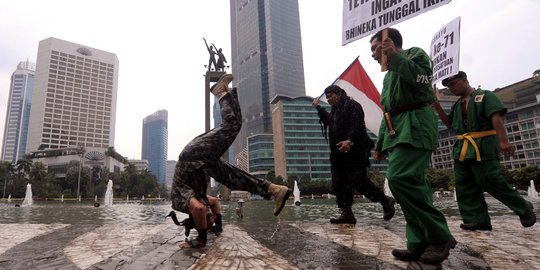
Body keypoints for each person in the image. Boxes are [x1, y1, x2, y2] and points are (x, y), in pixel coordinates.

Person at [171, 73, 292, 248]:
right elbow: (213, 202)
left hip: (193, 156)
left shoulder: (182, 202)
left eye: (209, 219)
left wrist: (201, 239)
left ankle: (221, 93)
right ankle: (274, 190)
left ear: (197, 221)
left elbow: (199, 209)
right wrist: (217, 224)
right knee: (234, 179)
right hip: (202, 164)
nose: (210, 215)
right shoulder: (201, 200)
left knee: (231, 126)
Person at [369, 28, 456, 265]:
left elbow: (423, 81)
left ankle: (440, 237)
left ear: (390, 43)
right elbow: (388, 109)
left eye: (375, 48)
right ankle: (418, 243)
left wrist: (396, 58)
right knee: (413, 184)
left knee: (398, 179)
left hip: (416, 125)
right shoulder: (387, 76)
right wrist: (380, 143)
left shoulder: (414, 55)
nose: (373, 55)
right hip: (397, 130)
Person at [432, 71, 536, 231]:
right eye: (448, 86)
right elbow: (451, 126)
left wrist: (503, 140)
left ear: (465, 80)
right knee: (464, 184)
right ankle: (476, 219)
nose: (451, 88)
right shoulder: (456, 105)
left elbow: (496, 117)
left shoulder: (485, 96)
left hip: (484, 144)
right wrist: (437, 106)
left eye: (453, 84)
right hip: (463, 147)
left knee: (489, 178)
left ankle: (523, 207)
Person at [312, 85, 396, 224]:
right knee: (338, 182)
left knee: (358, 180)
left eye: (330, 96)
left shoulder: (353, 105)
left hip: (355, 151)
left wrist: (350, 141)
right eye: (326, 97)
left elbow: (357, 126)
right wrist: (318, 108)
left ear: (339, 94)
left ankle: (385, 200)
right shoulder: (335, 110)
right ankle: (347, 213)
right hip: (338, 154)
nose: (328, 99)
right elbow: (329, 122)